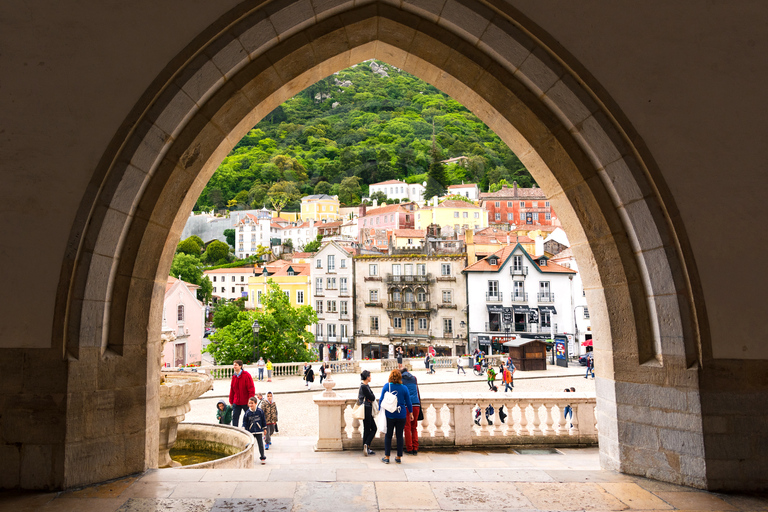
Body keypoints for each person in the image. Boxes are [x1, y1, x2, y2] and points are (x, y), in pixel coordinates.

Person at [379, 369, 413, 464]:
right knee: (399, 436)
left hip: (390, 414)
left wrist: (379, 411)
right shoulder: (404, 388)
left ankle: (387, 457)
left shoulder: (387, 386)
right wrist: (410, 412)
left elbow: (381, 400)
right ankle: (398, 457)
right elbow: (409, 402)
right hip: (401, 415)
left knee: (388, 435)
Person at [400, 365, 421, 456]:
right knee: (414, 427)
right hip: (416, 404)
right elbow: (417, 391)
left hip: (406, 405)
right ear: (408, 371)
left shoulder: (401, 379)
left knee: (407, 427)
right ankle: (415, 448)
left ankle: (409, 448)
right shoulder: (414, 378)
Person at [229, 360, 255, 427]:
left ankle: (250, 430)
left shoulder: (246, 375)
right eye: (234, 365)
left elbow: (251, 389)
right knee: (235, 418)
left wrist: (250, 401)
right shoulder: (234, 376)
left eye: (236, 365)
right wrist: (231, 401)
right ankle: (235, 432)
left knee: (249, 417)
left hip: (245, 401)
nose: (234, 366)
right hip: (236, 401)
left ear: (240, 366)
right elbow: (232, 389)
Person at [358, 370, 377, 456]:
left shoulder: (365, 386)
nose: (370, 377)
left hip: (366, 408)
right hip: (366, 408)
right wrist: (371, 397)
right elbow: (372, 397)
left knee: (367, 428)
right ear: (366, 377)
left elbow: (372, 396)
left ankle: (366, 446)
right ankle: (366, 444)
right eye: (369, 376)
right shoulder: (364, 387)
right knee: (373, 428)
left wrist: (371, 396)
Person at [243, 396, 267, 464]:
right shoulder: (247, 413)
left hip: (259, 430)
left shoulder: (260, 411)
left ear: (256, 403)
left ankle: (262, 457)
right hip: (251, 432)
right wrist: (243, 427)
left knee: (261, 445)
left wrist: (264, 428)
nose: (250, 405)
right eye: (249, 403)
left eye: (252, 403)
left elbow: (263, 420)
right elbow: (245, 421)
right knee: (250, 445)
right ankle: (249, 458)